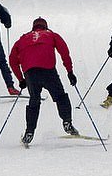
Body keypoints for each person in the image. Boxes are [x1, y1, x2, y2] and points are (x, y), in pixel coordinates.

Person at [9, 17, 79, 146]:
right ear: (45, 26)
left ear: (33, 27)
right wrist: (70, 72)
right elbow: (64, 52)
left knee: (34, 101)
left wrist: (21, 79)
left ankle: (29, 132)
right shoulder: (52, 35)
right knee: (60, 97)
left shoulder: (22, 39)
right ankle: (67, 122)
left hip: (30, 73)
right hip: (48, 71)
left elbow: (12, 60)